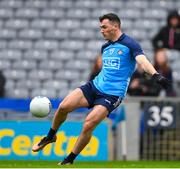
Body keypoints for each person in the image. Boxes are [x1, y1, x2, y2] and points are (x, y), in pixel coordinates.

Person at [32, 13, 170, 165]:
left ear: (115, 26)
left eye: (104, 27)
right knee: (63, 106)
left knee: (88, 123)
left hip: (112, 94)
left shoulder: (130, 44)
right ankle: (51, 136)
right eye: (100, 28)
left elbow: (142, 61)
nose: (101, 30)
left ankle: (69, 159)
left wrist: (156, 75)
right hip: (95, 86)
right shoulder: (105, 47)